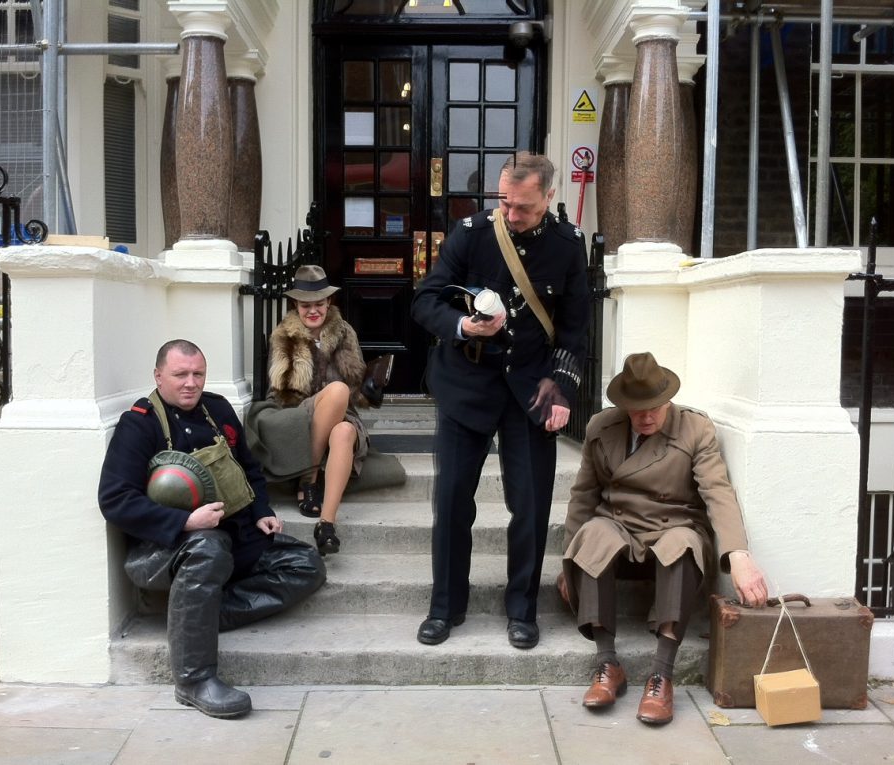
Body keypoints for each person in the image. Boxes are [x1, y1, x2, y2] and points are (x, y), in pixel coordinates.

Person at [410, 152, 590, 649]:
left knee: (529, 507)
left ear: (549, 198)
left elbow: (575, 331)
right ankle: (445, 607)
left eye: (525, 208)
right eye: (506, 203)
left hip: (531, 388)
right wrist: (463, 324)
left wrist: (563, 390)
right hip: (465, 381)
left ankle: (522, 611)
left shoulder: (568, 246)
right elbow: (426, 300)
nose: (512, 216)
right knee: (450, 502)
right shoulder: (470, 233)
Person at [98, 339, 326, 719]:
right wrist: (185, 522)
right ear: (158, 376)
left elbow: (248, 467)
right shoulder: (138, 424)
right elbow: (115, 499)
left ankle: (195, 615)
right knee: (206, 546)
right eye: (180, 374)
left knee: (305, 564)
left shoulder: (218, 410)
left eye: (197, 374)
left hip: (235, 537)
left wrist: (261, 511)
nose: (190, 382)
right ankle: (193, 680)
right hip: (166, 552)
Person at [557, 351, 768, 725]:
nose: (648, 416)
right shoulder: (601, 429)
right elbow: (584, 495)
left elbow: (717, 491)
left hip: (673, 525)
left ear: (668, 399)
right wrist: (568, 561)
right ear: (623, 406)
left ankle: (662, 674)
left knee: (682, 544)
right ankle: (607, 665)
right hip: (619, 527)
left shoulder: (695, 430)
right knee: (592, 535)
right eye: (638, 409)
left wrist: (738, 554)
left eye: (655, 406)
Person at [248, 265, 371, 556]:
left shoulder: (344, 332)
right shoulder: (284, 335)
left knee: (343, 430)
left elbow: (356, 386)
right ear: (296, 305)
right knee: (336, 390)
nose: (313, 311)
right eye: (306, 305)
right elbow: (283, 390)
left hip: (343, 413)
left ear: (329, 303)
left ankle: (326, 524)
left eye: (319, 304)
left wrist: (371, 385)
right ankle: (309, 477)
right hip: (296, 411)